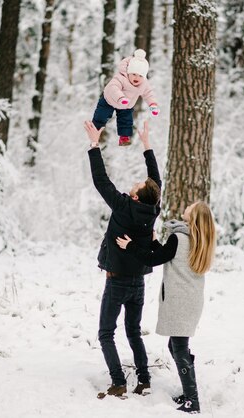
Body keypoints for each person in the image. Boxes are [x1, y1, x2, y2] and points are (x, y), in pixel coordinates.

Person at [83, 120, 161, 399]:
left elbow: (100, 181)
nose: (137, 181)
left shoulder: (123, 205)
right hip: (138, 283)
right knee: (134, 333)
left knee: (106, 333)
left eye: (139, 184)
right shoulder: (152, 209)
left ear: (136, 196)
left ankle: (118, 382)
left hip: (116, 283)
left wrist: (94, 145)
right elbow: (156, 181)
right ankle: (144, 379)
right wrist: (146, 145)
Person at [116, 202, 217, 413]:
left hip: (180, 301)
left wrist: (131, 246)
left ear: (194, 216)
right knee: (176, 346)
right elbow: (168, 255)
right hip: (190, 301)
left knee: (178, 347)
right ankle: (190, 393)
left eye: (191, 206)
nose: (187, 206)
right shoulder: (196, 239)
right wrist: (155, 242)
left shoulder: (179, 237)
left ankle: (192, 401)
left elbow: (154, 259)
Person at [92, 49, 160, 147]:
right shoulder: (120, 78)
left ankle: (124, 138)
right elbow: (113, 88)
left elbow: (149, 94)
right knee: (102, 114)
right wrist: (120, 98)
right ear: (128, 72)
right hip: (109, 100)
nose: (136, 78)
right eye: (134, 74)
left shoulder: (144, 84)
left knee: (126, 119)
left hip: (126, 105)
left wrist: (153, 104)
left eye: (140, 75)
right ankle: (95, 129)